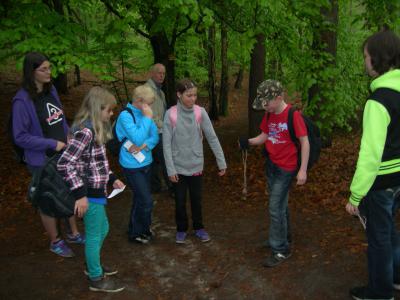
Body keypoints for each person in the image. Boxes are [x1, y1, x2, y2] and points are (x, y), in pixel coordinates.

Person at [12, 52, 84, 258]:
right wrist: (52, 143)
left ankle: (73, 232)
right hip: (41, 160)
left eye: (49, 68)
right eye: (43, 69)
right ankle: (55, 241)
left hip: (62, 154)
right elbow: (20, 136)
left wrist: (67, 133)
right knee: (48, 198)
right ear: (31, 72)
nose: (49, 72)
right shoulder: (22, 101)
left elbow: (58, 116)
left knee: (69, 190)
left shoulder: (50, 89)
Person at [346, 30, 400, 300]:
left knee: (379, 239)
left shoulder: (378, 102)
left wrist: (356, 195)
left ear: (378, 59)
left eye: (366, 56)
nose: (365, 61)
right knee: (389, 229)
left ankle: (380, 293)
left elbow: (370, 155)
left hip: (382, 183)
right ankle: (397, 276)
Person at [57, 86, 125, 293]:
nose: (111, 114)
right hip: (88, 193)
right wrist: (80, 195)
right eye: (109, 110)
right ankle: (96, 277)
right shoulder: (85, 132)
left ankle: (92, 264)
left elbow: (96, 162)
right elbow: (65, 163)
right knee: (95, 235)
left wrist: (111, 178)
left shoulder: (95, 129)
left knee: (102, 229)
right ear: (97, 109)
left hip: (97, 190)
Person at [239, 79, 310, 267]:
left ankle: (280, 249)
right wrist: (249, 142)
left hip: (287, 169)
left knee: (275, 207)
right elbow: (265, 135)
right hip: (272, 165)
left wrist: (302, 170)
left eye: (267, 103)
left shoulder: (293, 115)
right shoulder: (269, 114)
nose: (265, 107)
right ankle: (283, 237)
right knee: (280, 205)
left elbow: (305, 142)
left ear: (279, 98)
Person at [162, 78, 227, 244]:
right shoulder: (171, 114)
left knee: (197, 200)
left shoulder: (200, 112)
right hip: (178, 167)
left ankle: (199, 228)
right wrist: (170, 170)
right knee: (180, 202)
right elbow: (166, 144)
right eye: (189, 95)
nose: (193, 99)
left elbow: (212, 137)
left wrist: (221, 162)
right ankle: (181, 229)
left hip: (196, 164)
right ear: (179, 94)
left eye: (195, 95)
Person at [115, 85, 159, 244]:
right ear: (139, 101)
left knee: (140, 199)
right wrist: (147, 118)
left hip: (147, 162)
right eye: (148, 103)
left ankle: (140, 229)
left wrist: (144, 145)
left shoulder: (144, 113)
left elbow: (154, 137)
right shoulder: (125, 117)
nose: (150, 108)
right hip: (131, 166)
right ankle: (136, 232)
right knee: (146, 200)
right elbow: (137, 137)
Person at [145, 63, 172, 195]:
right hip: (154, 132)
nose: (162, 76)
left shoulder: (160, 91)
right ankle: (173, 188)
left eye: (164, 73)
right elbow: (151, 116)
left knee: (156, 160)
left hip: (158, 131)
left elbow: (162, 113)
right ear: (152, 73)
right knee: (166, 159)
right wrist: (166, 127)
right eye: (159, 73)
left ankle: (155, 186)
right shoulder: (147, 91)